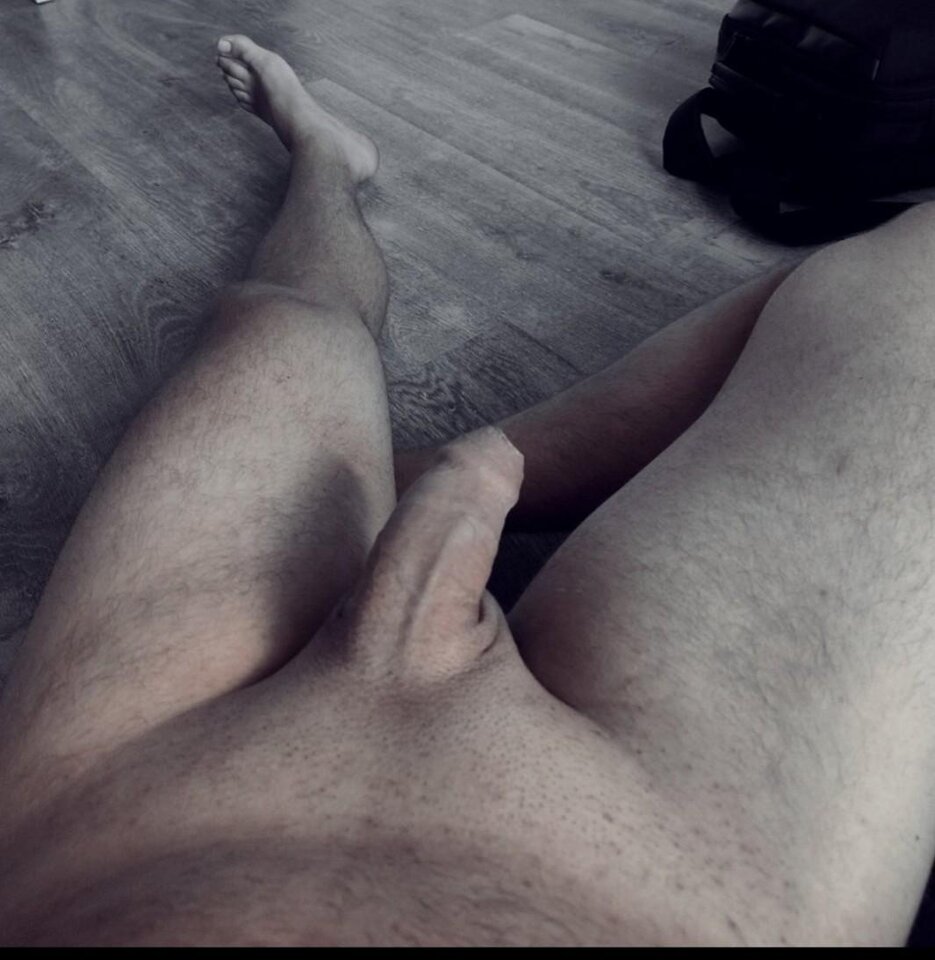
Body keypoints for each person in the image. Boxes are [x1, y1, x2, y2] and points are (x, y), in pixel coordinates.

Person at [1, 35, 933, 947]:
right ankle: (331, 164)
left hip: (97, 818)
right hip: (701, 870)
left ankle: (457, 432)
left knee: (285, 326)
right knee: (907, 271)